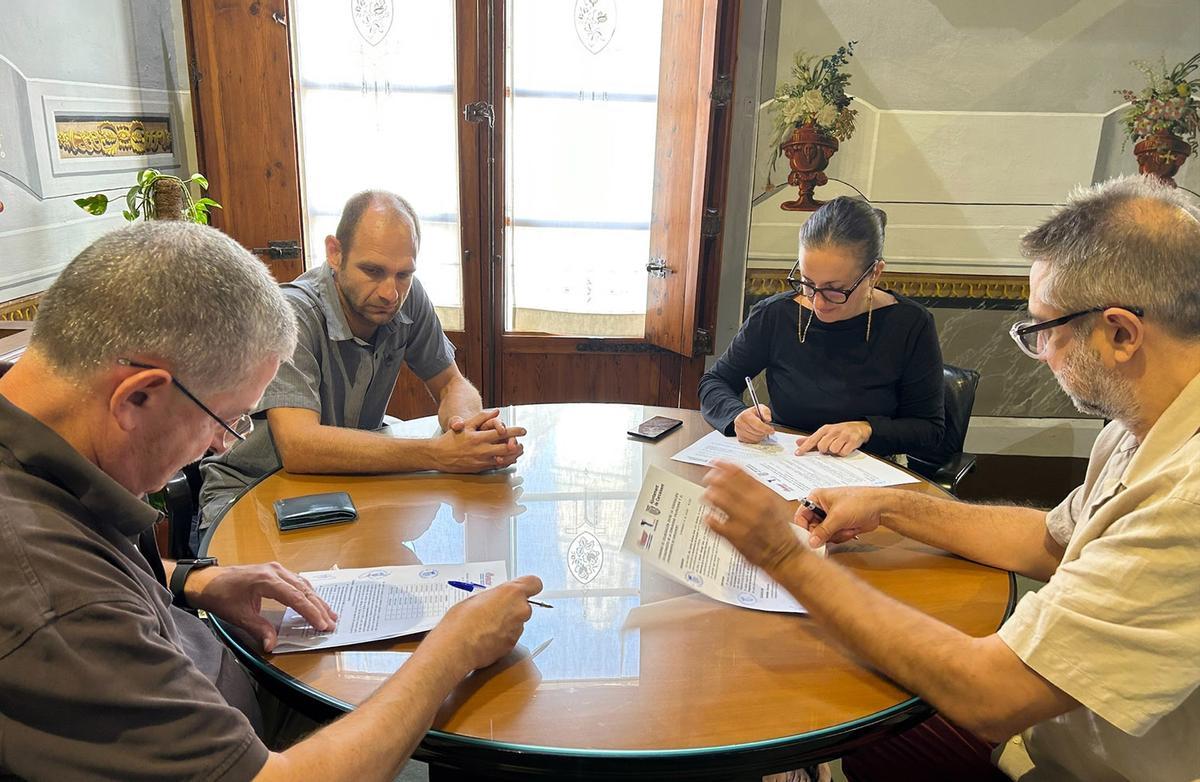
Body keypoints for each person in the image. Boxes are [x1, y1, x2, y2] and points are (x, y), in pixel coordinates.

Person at [0, 222, 544, 780]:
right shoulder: (52, 598)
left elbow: (107, 576)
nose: (220, 444)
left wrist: (194, 580)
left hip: (233, 692)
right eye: (226, 419)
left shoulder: (49, 441)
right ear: (138, 396)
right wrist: (452, 649)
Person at [702, 175, 1200, 781]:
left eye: (1043, 331)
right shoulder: (1137, 425)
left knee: (815, 700)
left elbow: (990, 697)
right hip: (1038, 739)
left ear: (1121, 333)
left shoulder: (1186, 498)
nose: (1039, 353)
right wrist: (889, 507)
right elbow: (1050, 538)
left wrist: (784, 556)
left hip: (1061, 768)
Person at [200, 190, 523, 533]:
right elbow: (299, 446)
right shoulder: (292, 314)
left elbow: (450, 383)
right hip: (254, 490)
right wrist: (437, 453)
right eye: (373, 271)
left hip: (344, 486)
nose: (390, 293)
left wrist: (465, 431)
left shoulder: (407, 297)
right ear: (334, 253)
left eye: (404, 274)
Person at [699, 196, 944, 458]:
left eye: (835, 290)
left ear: (875, 273)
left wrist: (866, 429)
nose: (817, 301)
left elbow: (930, 430)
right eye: (807, 282)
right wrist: (736, 415)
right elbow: (714, 382)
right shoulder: (775, 315)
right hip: (787, 463)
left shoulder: (910, 324)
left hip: (868, 476)